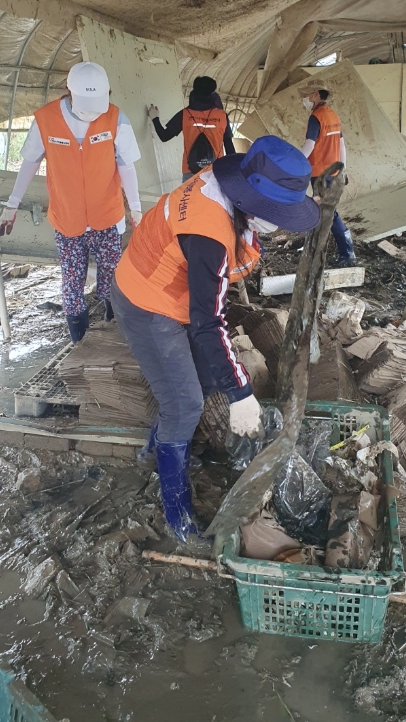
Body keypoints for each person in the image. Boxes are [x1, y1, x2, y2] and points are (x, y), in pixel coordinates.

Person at [111, 135, 320, 541]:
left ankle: (154, 452)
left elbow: (208, 313)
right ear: (251, 201)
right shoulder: (209, 233)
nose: (278, 223)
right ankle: (178, 518)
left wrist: (230, 382)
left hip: (176, 290)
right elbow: (207, 322)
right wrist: (241, 393)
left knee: (206, 379)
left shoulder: (230, 192)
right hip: (147, 298)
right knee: (185, 404)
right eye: (275, 214)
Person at [0, 62, 142, 343]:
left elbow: (127, 165)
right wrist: (12, 205)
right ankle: (79, 342)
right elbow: (30, 163)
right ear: (69, 91)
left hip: (106, 217)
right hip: (67, 220)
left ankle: (113, 331)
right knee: (72, 284)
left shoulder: (116, 118)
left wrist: (135, 207)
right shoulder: (46, 120)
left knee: (112, 278)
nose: (92, 113)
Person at [300, 85, 355, 267]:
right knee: (322, 210)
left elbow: (309, 145)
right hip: (333, 172)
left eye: (307, 95)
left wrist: (295, 162)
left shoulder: (316, 117)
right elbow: (342, 145)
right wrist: (343, 169)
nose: (305, 99)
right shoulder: (333, 116)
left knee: (329, 213)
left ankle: (347, 253)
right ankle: (315, 248)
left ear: (316, 94)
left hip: (320, 174)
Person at [147, 75, 236, 181]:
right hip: (215, 171)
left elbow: (164, 136)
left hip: (190, 171)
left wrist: (155, 118)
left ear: (194, 92)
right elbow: (229, 146)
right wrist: (233, 171)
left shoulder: (185, 114)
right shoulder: (222, 116)